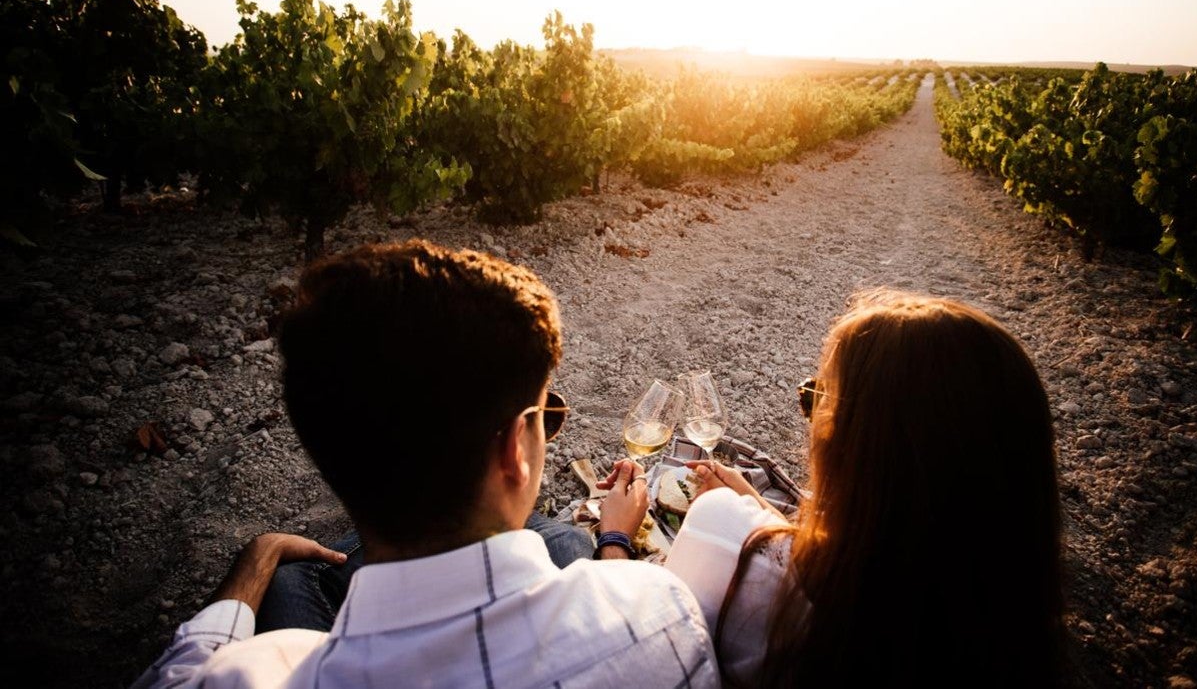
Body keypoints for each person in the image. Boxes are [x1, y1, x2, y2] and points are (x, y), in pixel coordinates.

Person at [132, 240, 719, 688]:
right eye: (547, 416)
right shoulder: (660, 615)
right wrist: (613, 539)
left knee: (289, 574)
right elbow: (623, 597)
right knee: (558, 537)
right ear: (515, 448)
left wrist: (256, 557)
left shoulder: (245, 674)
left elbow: (179, 669)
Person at [661, 290, 1064, 686]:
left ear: (860, 442)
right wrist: (763, 513)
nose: (811, 418)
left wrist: (614, 541)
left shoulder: (725, 530)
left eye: (815, 398)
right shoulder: (1008, 624)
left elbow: (643, 651)